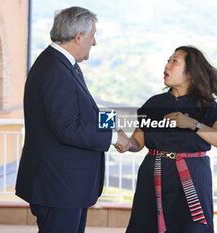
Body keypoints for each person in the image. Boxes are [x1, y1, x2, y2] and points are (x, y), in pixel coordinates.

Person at [15, 6, 131, 233]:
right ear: (79, 37)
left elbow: (84, 110)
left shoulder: (62, 64)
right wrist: (113, 136)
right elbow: (68, 127)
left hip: (66, 187)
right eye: (92, 36)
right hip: (59, 187)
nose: (94, 43)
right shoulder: (54, 70)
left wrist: (114, 126)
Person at [115, 46, 217, 233]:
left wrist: (193, 123)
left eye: (174, 61)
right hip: (152, 175)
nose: (167, 65)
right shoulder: (153, 103)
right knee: (146, 225)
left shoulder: (206, 105)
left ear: (191, 72)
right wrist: (127, 143)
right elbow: (139, 141)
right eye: (168, 60)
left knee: (190, 227)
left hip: (192, 177)